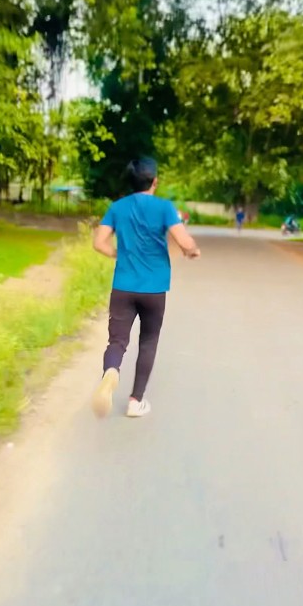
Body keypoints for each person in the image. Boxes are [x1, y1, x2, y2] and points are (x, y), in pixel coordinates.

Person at [91, 157, 200, 419]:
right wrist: (192, 250)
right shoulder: (164, 207)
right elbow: (184, 241)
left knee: (117, 341)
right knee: (148, 341)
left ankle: (111, 371)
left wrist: (118, 253)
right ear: (155, 181)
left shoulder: (117, 207)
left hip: (123, 286)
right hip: (154, 288)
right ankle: (135, 401)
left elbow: (99, 243)